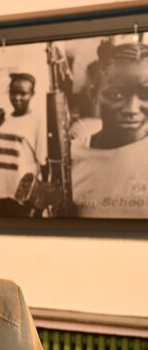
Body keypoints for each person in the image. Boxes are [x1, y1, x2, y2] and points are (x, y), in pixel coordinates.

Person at [69, 40, 148, 217]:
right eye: (116, 95)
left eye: (146, 95)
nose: (131, 109)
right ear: (94, 95)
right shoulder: (72, 158)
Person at [0, 72, 47, 216]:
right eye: (13, 93)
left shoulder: (38, 121)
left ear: (32, 94)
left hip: (20, 195)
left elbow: (43, 162)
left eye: (23, 94)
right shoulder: (7, 119)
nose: (17, 98)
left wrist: (41, 199)